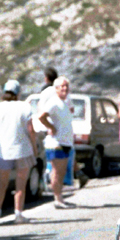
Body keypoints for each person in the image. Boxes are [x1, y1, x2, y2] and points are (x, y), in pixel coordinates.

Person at [0, 80, 38, 224]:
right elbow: (31, 130)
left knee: (2, 183)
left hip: (5, 150)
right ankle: (18, 214)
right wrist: (34, 147)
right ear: (18, 93)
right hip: (23, 149)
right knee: (20, 184)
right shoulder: (24, 107)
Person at [38, 76, 76, 209]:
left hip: (65, 142)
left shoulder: (65, 102)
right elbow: (41, 116)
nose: (65, 88)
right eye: (62, 86)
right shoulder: (53, 102)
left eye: (66, 86)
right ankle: (57, 199)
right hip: (56, 142)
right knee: (56, 171)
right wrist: (51, 127)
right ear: (56, 89)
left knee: (61, 172)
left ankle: (60, 198)